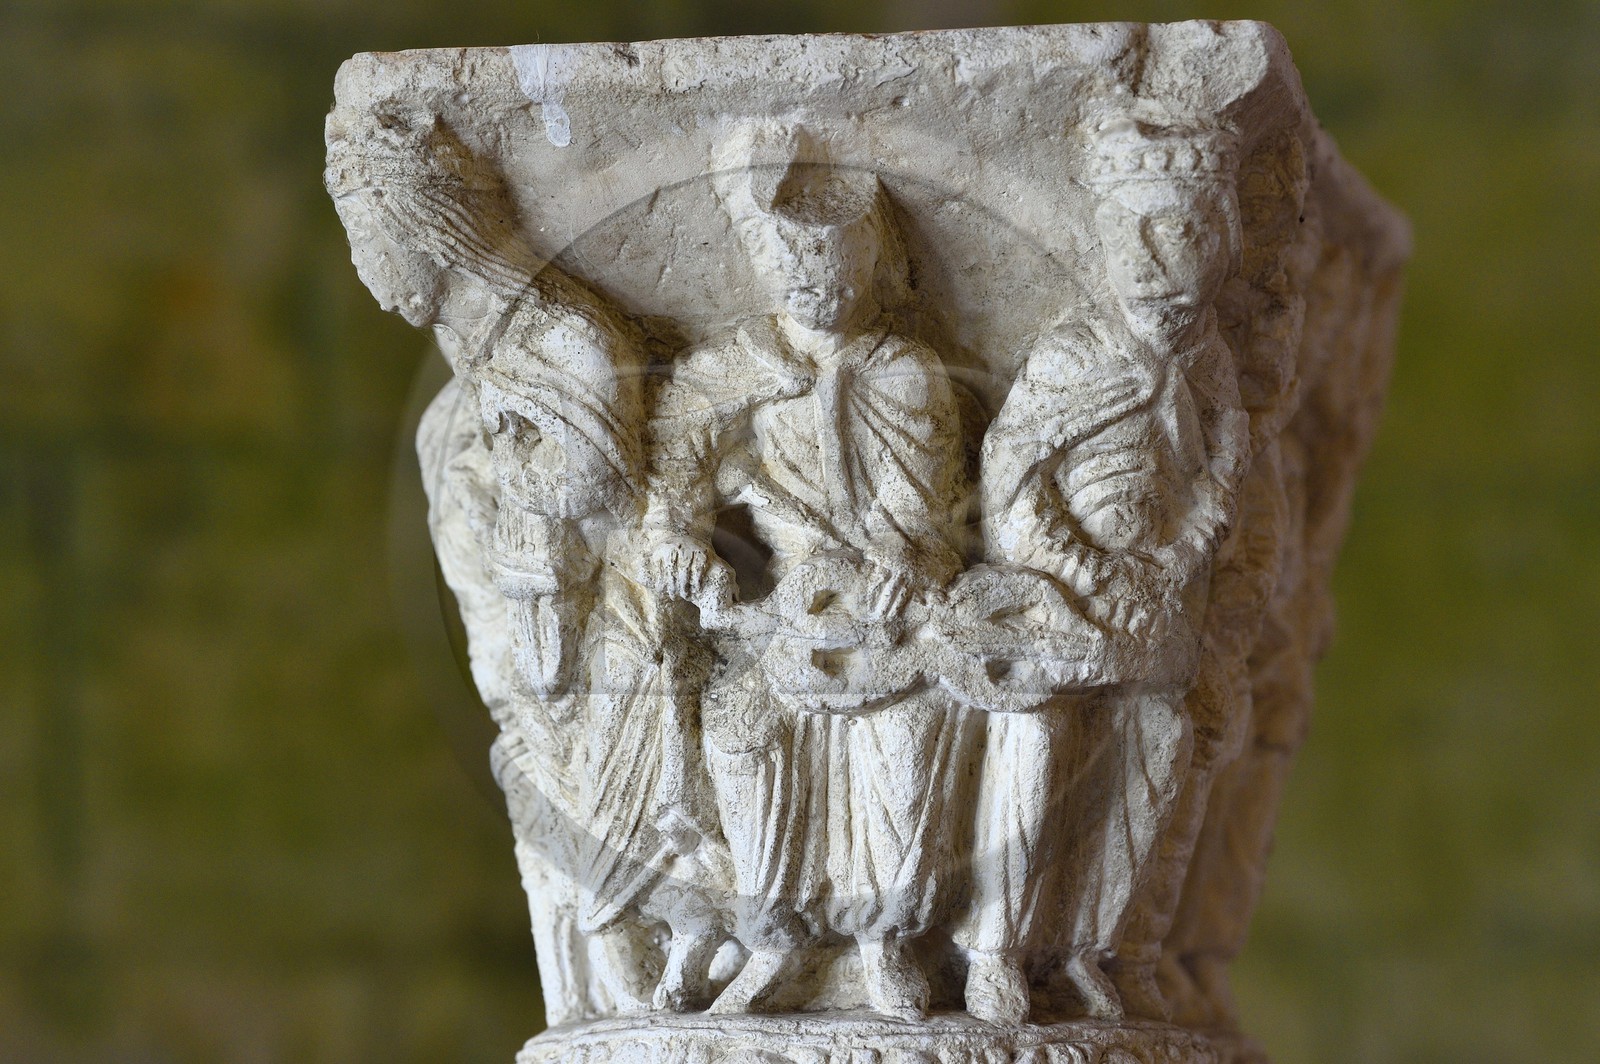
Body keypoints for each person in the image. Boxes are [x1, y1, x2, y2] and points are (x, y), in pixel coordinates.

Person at [327, 110, 726, 1018]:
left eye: (374, 244)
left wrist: (503, 465)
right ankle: (608, 968)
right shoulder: (461, 376)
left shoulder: (565, 338)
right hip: (529, 631)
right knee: (532, 761)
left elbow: (597, 485)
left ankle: (688, 940)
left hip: (622, 607)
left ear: (428, 227)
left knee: (608, 748)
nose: (369, 276)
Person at [641, 142, 973, 1019]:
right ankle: (774, 939)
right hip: (786, 612)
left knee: (906, 731)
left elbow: (925, 509)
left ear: (867, 264)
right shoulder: (734, 367)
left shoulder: (906, 372)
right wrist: (679, 540)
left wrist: (905, 560)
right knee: (739, 727)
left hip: (885, 613)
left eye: (830, 264)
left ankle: (885, 941)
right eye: (790, 264)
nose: (810, 281)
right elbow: (676, 475)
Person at [970, 115, 1251, 1022]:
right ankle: (993, 952)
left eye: (1185, 236)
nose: (1158, 269)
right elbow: (1013, 477)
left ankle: (1087, 948)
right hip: (1062, 596)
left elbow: (1223, 472)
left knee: (1160, 741)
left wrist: (1171, 565)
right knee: (1037, 737)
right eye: (1137, 239)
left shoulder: (1208, 364)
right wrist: (1087, 572)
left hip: (1155, 600)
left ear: (1222, 243)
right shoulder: (1076, 352)